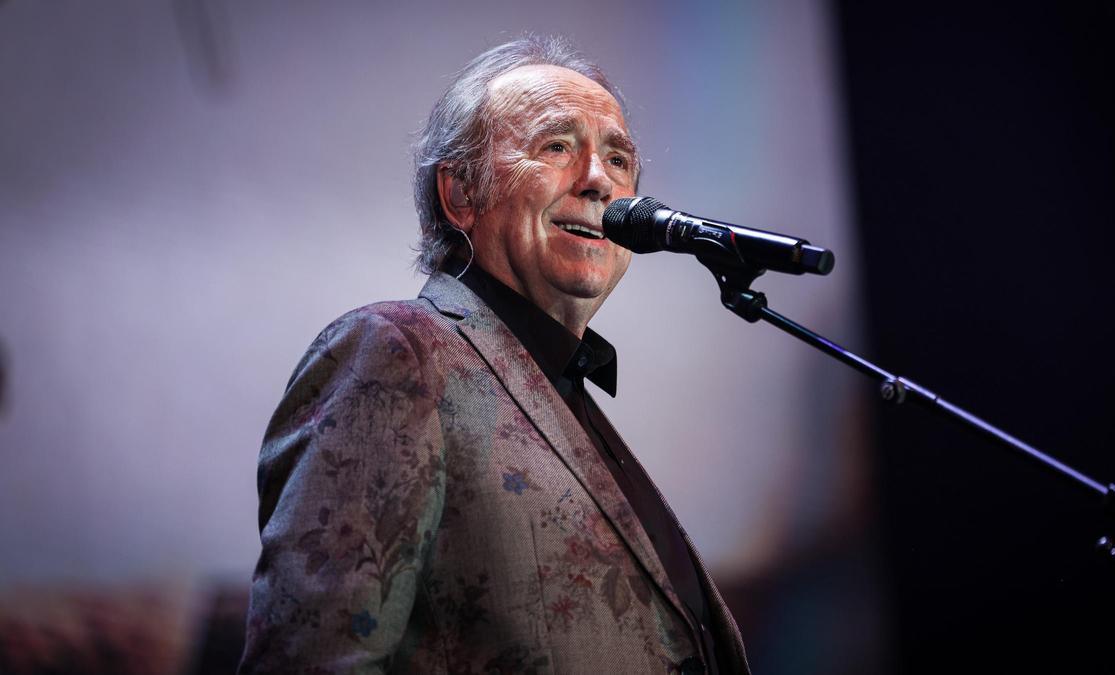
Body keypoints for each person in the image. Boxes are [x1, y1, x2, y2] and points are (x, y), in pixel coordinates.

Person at [239, 36, 750, 674]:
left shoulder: (559, 388)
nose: (599, 179)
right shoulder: (397, 353)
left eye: (619, 159)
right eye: (556, 146)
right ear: (461, 194)